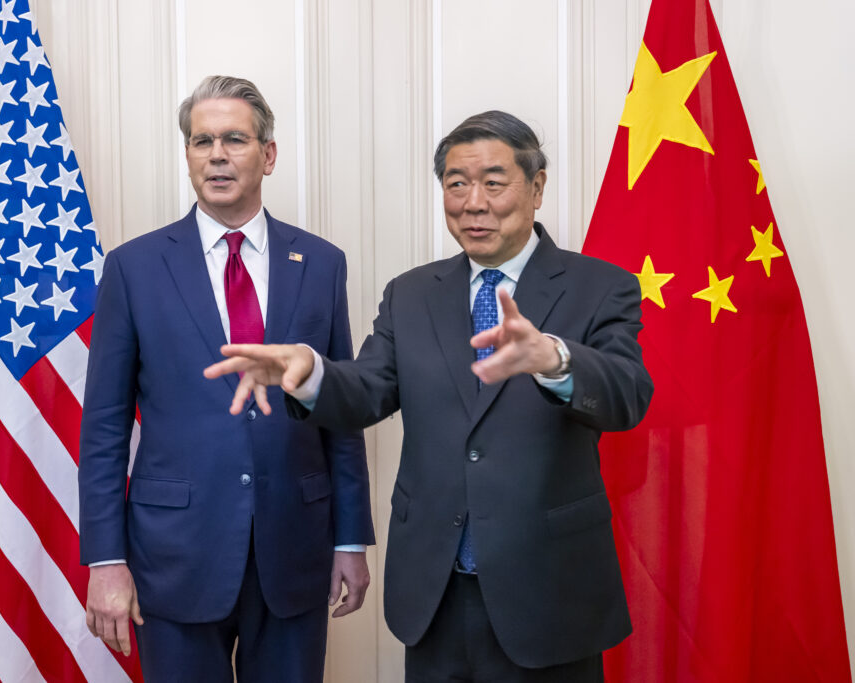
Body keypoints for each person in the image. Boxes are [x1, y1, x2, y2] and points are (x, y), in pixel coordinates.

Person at [205, 110, 654, 682]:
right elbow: (367, 389)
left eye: (494, 182)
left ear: (536, 188)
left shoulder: (601, 286)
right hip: (434, 593)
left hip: (549, 593)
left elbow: (627, 396)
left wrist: (553, 359)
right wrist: (311, 373)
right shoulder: (411, 294)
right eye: (456, 184)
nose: (473, 203)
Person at [78, 75, 375, 683]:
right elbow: (105, 426)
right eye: (202, 140)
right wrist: (105, 559)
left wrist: (350, 539)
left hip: (294, 548)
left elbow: (339, 411)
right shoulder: (134, 268)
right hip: (175, 554)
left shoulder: (321, 263)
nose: (217, 155)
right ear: (188, 154)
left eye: (234, 139)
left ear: (268, 154)